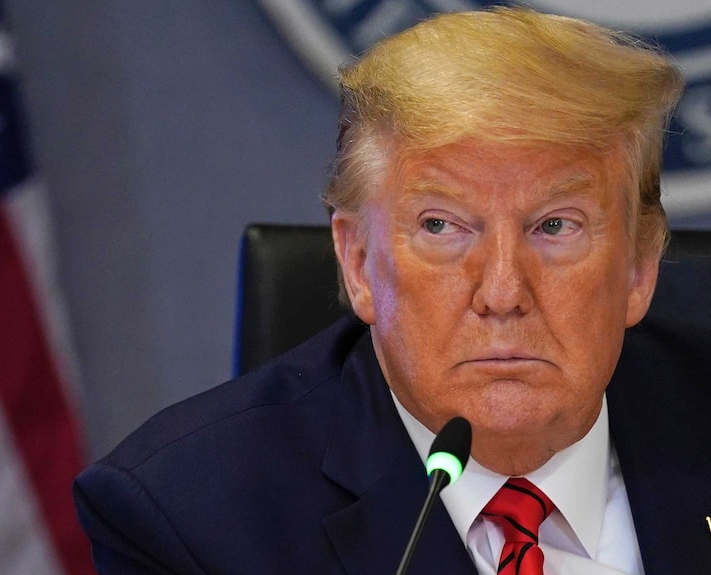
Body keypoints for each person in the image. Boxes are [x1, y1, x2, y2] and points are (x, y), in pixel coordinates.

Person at [73, 7, 711, 574]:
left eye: (555, 226)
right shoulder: (192, 519)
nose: (503, 291)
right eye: (441, 226)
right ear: (356, 263)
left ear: (638, 268)